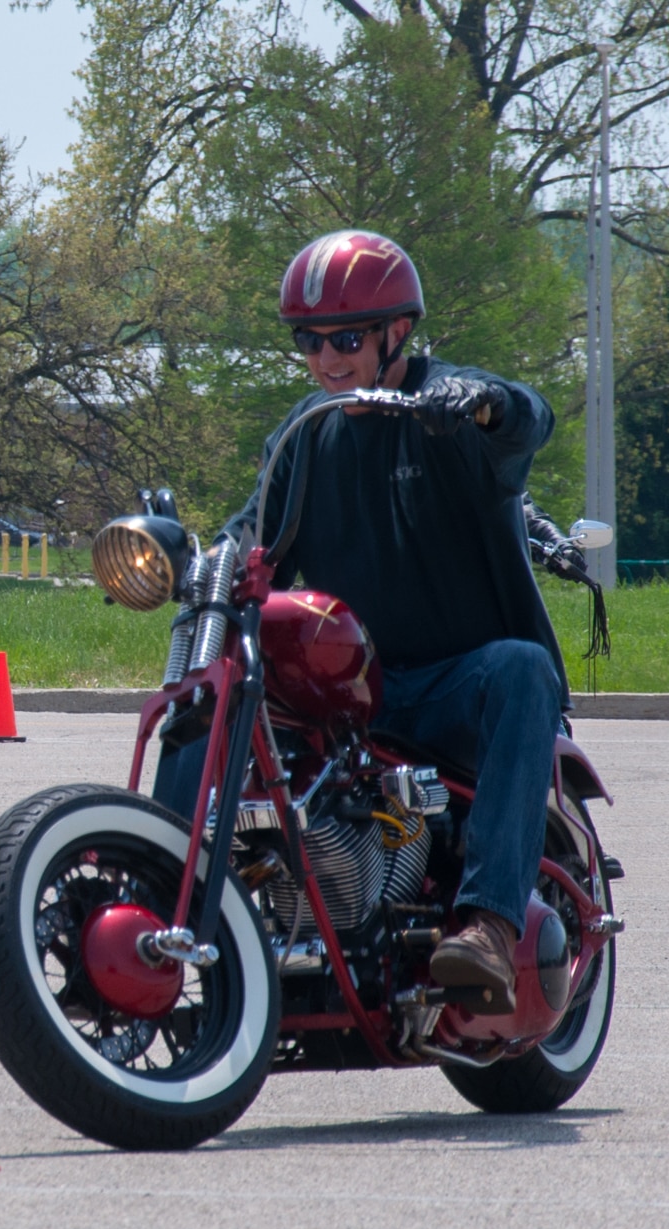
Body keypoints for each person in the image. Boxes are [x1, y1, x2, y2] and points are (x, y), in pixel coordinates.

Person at [159, 229, 563, 1015]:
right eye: (308, 340)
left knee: (522, 667)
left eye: (346, 337)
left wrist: (484, 405)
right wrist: (200, 564)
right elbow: (256, 531)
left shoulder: (448, 405)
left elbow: (528, 420)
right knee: (220, 677)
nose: (325, 357)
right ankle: (170, 881)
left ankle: (486, 923)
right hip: (354, 691)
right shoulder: (309, 433)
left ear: (396, 333)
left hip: (457, 683)